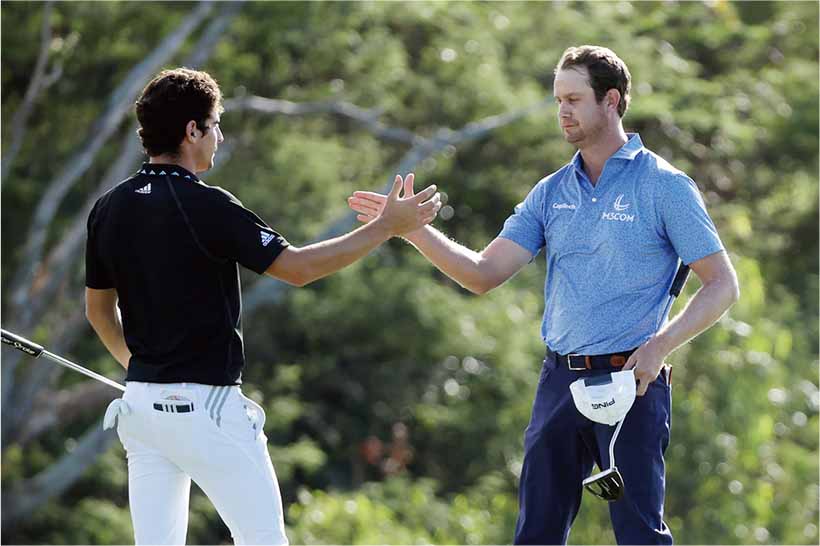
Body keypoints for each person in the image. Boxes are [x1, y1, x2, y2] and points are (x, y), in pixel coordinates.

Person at [348, 45, 739, 544]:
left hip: (632, 382)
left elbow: (722, 284)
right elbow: (483, 273)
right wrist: (411, 230)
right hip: (559, 382)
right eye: (558, 100)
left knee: (640, 536)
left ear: (611, 101)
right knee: (535, 535)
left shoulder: (665, 186)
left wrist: (660, 346)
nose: (563, 112)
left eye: (574, 99)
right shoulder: (551, 192)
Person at [84, 67, 441, 545]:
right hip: (209, 411)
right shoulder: (209, 205)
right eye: (215, 125)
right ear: (192, 131)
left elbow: (98, 312)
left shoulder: (108, 207)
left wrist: (142, 370)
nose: (220, 137)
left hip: (142, 410)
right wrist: (386, 227)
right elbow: (299, 268)